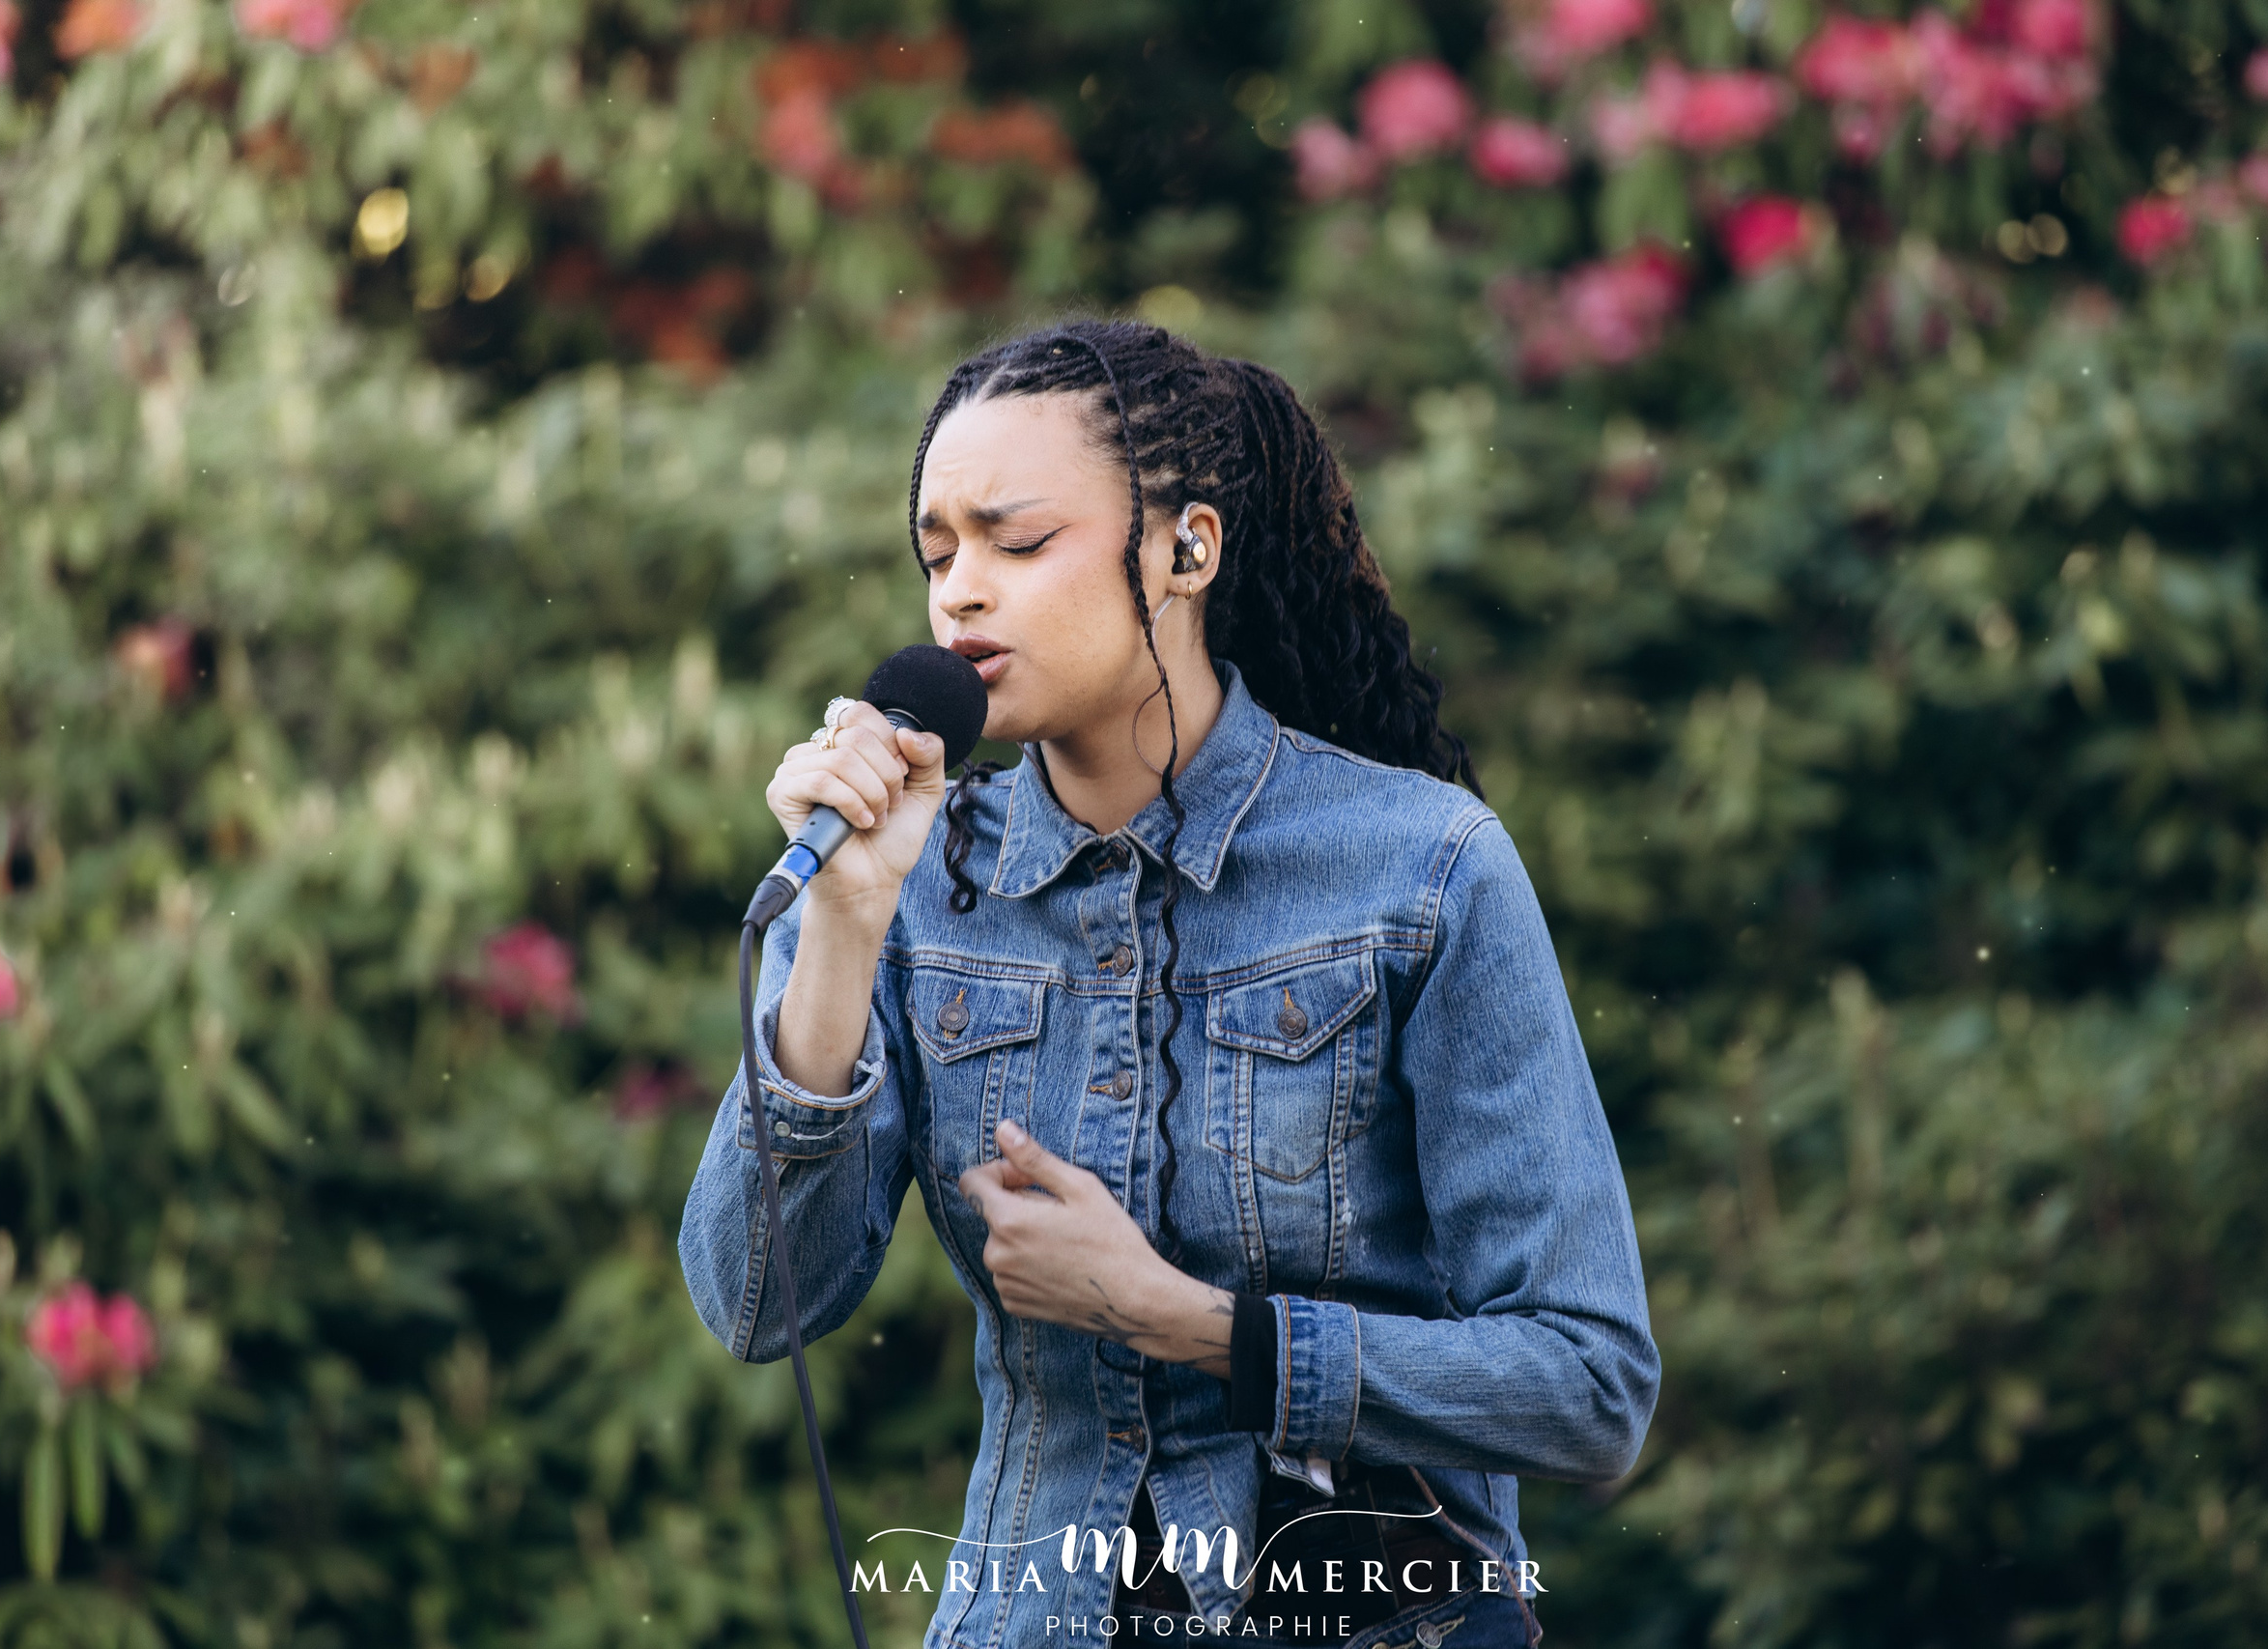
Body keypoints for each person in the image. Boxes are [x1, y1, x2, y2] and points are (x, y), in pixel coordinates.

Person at [677, 320, 1658, 1649]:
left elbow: (1587, 1388)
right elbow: (753, 1303)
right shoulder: (899, 877)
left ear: (1186, 549)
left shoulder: (1424, 871)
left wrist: (1189, 1325)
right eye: (937, 553)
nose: (961, 591)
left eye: (1017, 543)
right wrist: (846, 927)